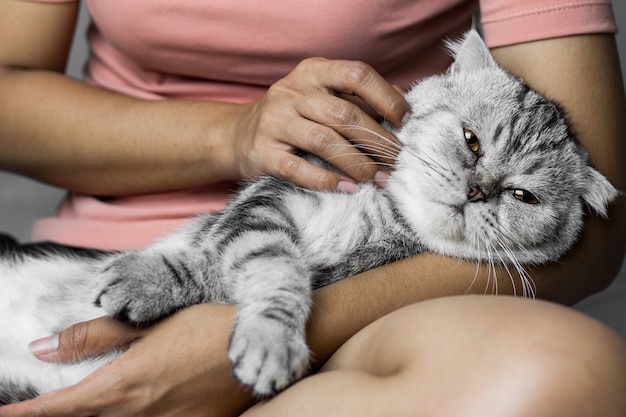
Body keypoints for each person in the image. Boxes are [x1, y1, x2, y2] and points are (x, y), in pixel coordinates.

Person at [1, 0, 625, 415]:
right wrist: (232, 136)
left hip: (384, 306)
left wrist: (275, 330)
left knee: (567, 372)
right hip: (99, 266)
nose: (478, 188)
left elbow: (596, 223)